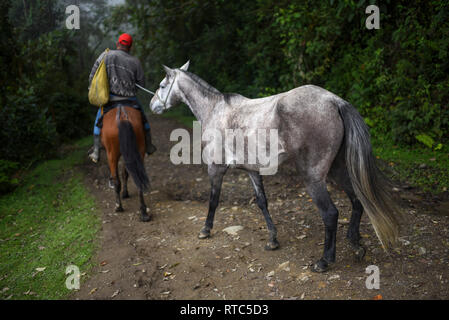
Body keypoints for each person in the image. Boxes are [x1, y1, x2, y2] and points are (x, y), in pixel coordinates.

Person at [88, 33, 156, 163]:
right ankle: (149, 145)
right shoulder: (135, 61)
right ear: (130, 47)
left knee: (98, 120)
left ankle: (96, 150)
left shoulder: (106, 55)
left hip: (110, 99)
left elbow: (93, 76)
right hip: (130, 100)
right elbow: (141, 85)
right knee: (143, 119)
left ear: (118, 44)